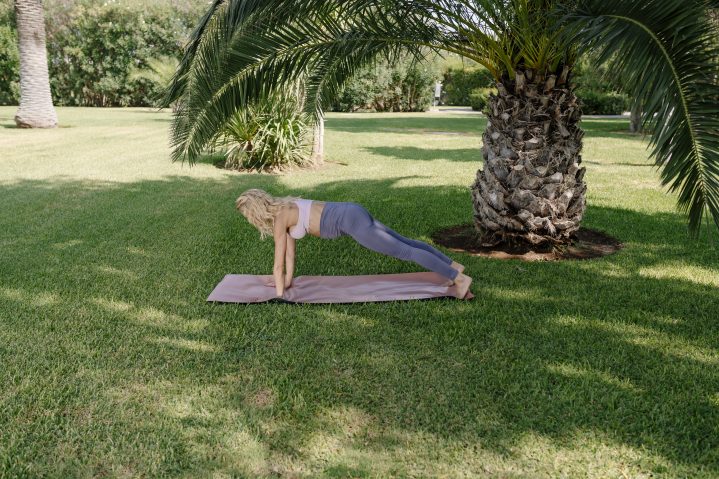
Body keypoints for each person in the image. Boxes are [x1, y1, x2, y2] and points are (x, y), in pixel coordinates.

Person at [235, 189, 473, 298]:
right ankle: (454, 267)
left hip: (348, 221)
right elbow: (289, 257)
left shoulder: (279, 219)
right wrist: (286, 283)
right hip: (351, 211)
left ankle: (459, 279)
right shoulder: (286, 207)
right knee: (406, 242)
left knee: (403, 251)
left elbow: (277, 264)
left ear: (254, 212)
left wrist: (278, 295)